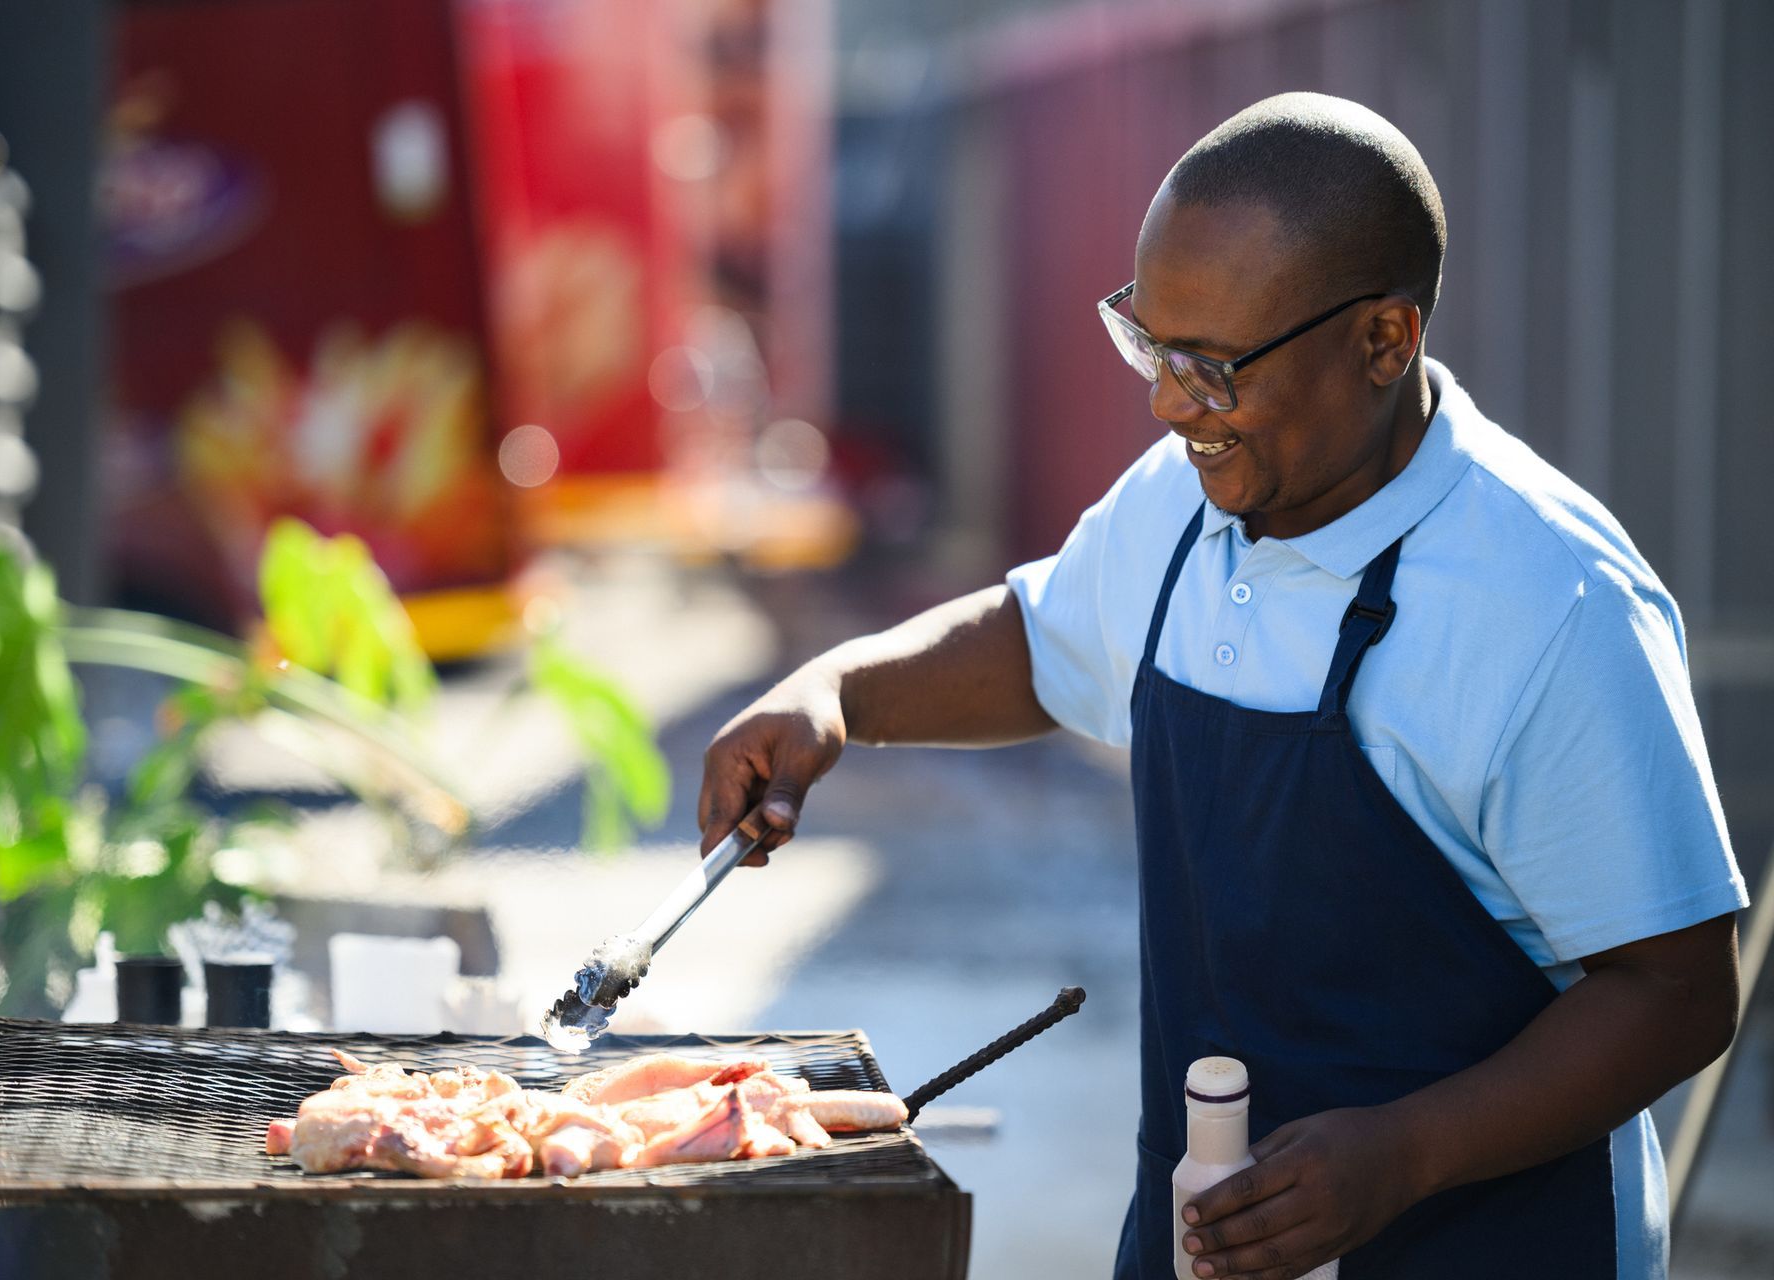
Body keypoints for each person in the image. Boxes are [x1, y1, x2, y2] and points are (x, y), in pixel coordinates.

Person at [695, 93, 1747, 1279]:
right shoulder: (1184, 504)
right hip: (1204, 1237)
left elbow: (1676, 990)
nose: (1165, 404)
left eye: (1212, 368)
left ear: (1384, 342)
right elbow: (1043, 639)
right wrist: (836, 694)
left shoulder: (1553, 606)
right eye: (1150, 342)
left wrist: (1402, 1154)